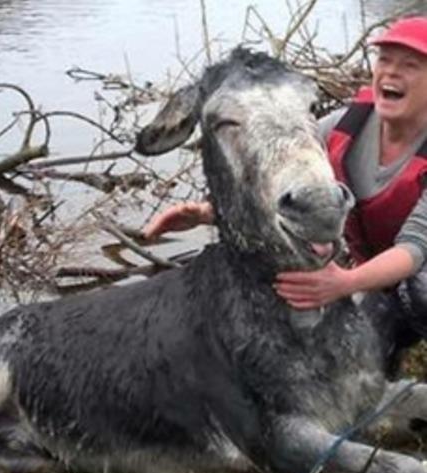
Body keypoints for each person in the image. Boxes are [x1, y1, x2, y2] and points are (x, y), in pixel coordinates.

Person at [143, 16, 427, 335]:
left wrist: (345, 283)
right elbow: (281, 178)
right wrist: (209, 213)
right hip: (375, 264)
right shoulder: (345, 125)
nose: (391, 72)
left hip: (417, 267)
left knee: (420, 293)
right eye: (385, 60)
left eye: (410, 65)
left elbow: (416, 246)